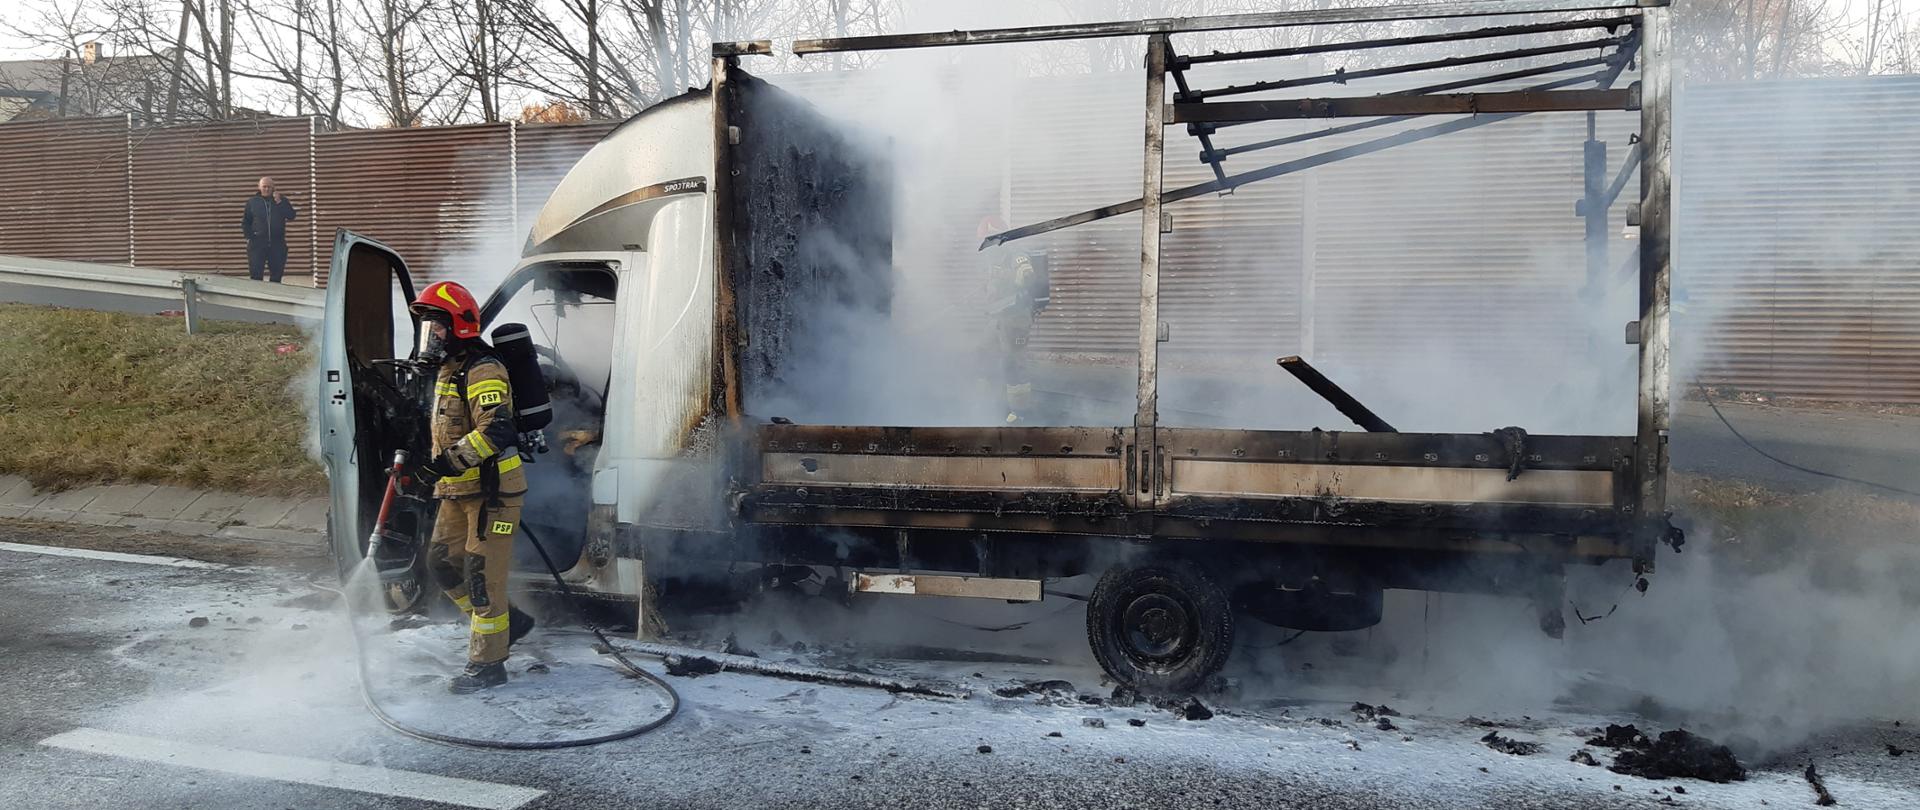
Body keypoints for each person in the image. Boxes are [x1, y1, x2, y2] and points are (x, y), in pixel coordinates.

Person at [407, 281, 535, 693]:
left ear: (459, 325)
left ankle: (488, 663)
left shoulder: (483, 369)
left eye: (437, 326)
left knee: (482, 579)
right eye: (428, 327)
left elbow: (496, 431)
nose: (432, 335)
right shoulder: (450, 369)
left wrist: (444, 465)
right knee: (441, 564)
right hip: (459, 491)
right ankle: (508, 624)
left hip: (494, 495)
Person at [980, 216, 1050, 423]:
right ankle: (993, 402)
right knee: (988, 354)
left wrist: (1007, 277)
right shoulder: (996, 258)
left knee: (1014, 363)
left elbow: (1027, 275)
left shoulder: (1016, 255)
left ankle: (1021, 412)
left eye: (987, 239)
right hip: (1000, 319)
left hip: (1017, 320)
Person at [240, 176, 297, 282]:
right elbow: (245, 222)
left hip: (277, 244)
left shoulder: (281, 201)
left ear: (274, 188)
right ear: (259, 187)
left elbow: (291, 215)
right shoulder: (252, 202)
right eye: (264, 187)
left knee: (276, 276)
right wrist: (250, 238)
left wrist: (279, 202)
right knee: (256, 276)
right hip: (257, 244)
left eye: (269, 187)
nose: (266, 189)